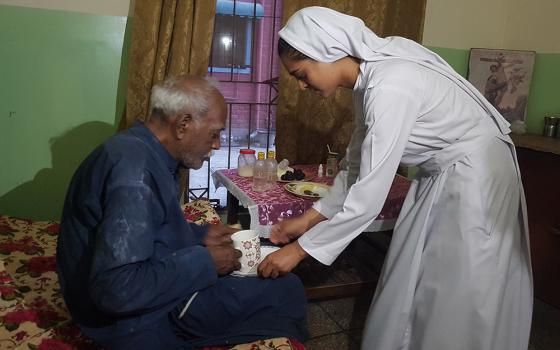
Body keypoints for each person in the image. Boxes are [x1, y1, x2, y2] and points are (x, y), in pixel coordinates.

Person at [257, 7, 532, 350]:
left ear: (326, 52)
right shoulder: (368, 82)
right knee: (419, 269)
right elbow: (356, 166)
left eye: (301, 73)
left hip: (476, 177)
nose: (300, 85)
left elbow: (369, 195)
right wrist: (310, 219)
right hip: (445, 173)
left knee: (457, 279)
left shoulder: (390, 85)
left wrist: (298, 251)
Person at [56, 76, 308, 349]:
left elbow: (148, 226)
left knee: (270, 284)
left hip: (143, 293)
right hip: (134, 320)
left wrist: (200, 234)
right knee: (287, 290)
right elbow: (117, 289)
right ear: (183, 124)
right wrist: (206, 262)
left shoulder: (139, 149)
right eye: (214, 133)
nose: (217, 145)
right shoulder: (135, 173)